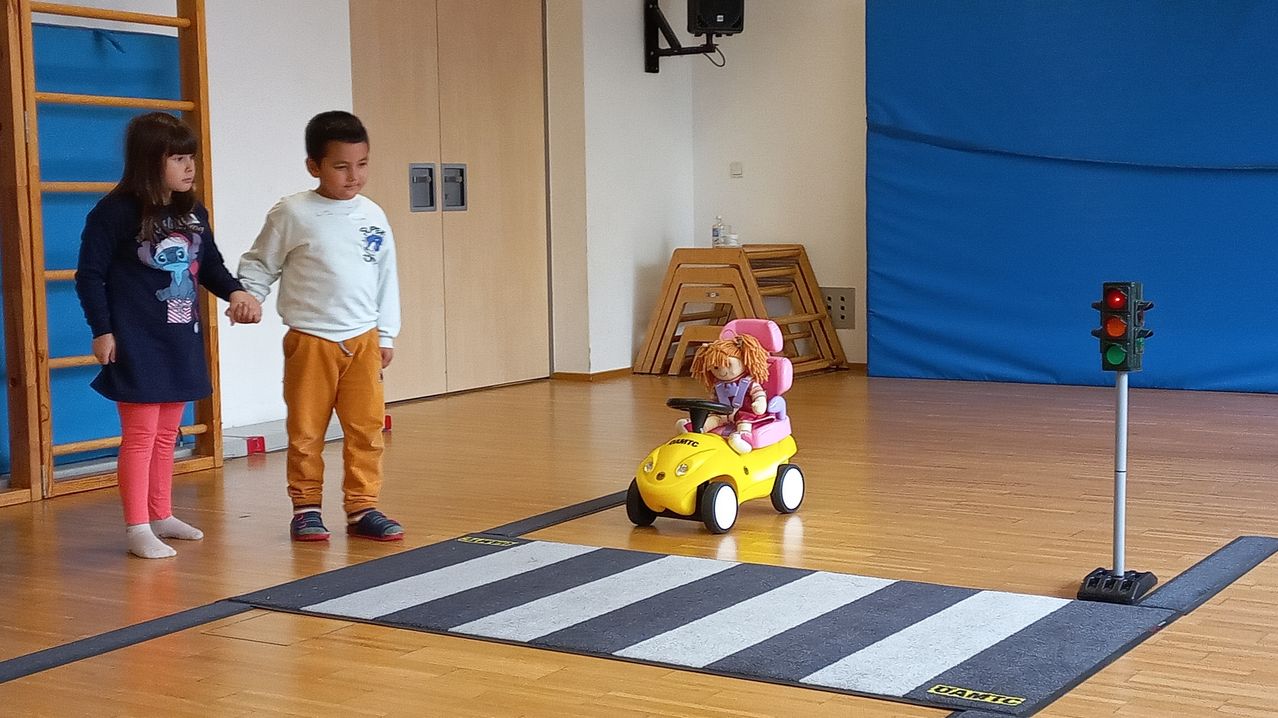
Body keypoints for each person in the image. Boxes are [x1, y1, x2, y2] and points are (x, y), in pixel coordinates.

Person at [75, 112, 261, 559]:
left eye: (191, 157)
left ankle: (160, 514)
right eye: (178, 158)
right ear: (149, 161)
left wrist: (235, 291)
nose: (189, 167)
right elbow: (89, 275)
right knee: (140, 435)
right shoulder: (115, 212)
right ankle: (137, 525)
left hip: (181, 336)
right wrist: (102, 330)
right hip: (135, 339)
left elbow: (210, 264)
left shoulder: (192, 211)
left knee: (167, 434)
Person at [237, 110, 403, 542]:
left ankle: (362, 507)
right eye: (341, 166)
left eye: (362, 164)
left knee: (366, 429)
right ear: (315, 166)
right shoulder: (293, 212)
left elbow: (386, 277)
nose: (354, 176)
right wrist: (248, 295)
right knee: (307, 430)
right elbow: (261, 262)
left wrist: (386, 334)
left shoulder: (373, 215)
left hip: (363, 341)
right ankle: (306, 506)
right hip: (311, 339)